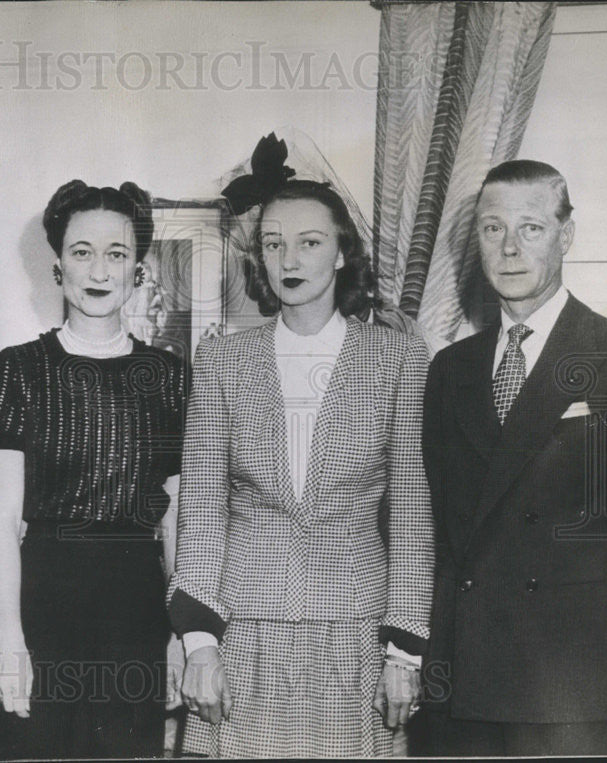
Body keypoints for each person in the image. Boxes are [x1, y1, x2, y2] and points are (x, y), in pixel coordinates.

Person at [421, 159, 607, 756]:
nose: (511, 248)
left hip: (576, 682)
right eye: (493, 229)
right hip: (464, 682)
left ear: (566, 235)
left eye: (532, 228)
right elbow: (437, 527)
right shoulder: (451, 370)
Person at [169, 149, 435, 757]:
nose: (289, 260)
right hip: (242, 629)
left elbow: (414, 517)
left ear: (342, 253)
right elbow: (203, 510)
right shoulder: (222, 360)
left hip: (356, 633)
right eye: (272, 244)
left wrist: (404, 648)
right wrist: (200, 643)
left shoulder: (397, 358)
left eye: (310, 243)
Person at [0, 180, 188, 759]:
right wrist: (10, 643)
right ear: (57, 266)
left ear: (138, 270)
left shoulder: (170, 377)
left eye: (117, 254)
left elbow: (177, 526)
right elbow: (1, 520)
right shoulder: (17, 371)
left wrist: (179, 636)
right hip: (41, 603)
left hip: (137, 613)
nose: (99, 270)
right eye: (81, 252)